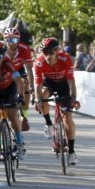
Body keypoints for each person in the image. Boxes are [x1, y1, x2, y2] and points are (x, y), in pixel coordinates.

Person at [33, 37, 79, 165]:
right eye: (45, 52)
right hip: (49, 83)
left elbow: (71, 81)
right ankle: (48, 123)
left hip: (64, 84)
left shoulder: (65, 59)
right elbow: (37, 84)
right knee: (43, 95)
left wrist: (73, 98)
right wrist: (38, 100)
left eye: (50, 52)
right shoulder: (39, 62)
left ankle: (72, 151)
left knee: (67, 117)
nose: (47, 56)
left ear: (57, 51)